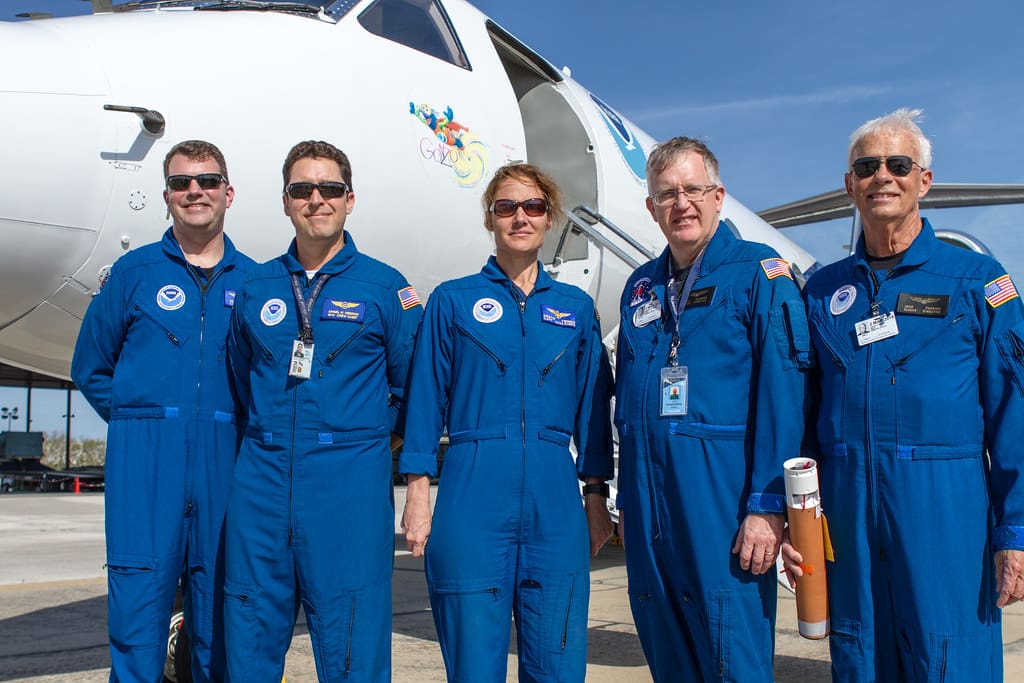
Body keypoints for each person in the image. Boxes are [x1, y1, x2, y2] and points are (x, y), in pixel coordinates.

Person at [786, 108, 1024, 681]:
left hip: (945, 511)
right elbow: (800, 416)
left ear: (924, 180)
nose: (882, 177)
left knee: (949, 657)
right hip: (848, 515)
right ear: (850, 185)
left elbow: (1015, 414)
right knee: (860, 656)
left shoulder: (978, 282)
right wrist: (794, 523)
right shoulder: (822, 291)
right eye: (867, 166)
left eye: (898, 164)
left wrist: (1015, 532)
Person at [399, 163, 615, 682]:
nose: (520, 217)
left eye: (533, 207)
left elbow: (593, 406)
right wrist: (418, 490)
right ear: (490, 219)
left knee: (559, 665)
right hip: (472, 493)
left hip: (555, 498)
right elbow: (425, 398)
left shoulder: (576, 309)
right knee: (474, 667)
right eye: (506, 207)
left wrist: (595, 495)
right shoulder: (454, 301)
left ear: (549, 219)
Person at [223, 140, 423, 681]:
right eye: (302, 190)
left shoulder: (386, 289)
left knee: (353, 649)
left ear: (350, 200)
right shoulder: (254, 287)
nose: (317, 199)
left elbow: (415, 391)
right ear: (286, 201)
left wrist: (373, 446)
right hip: (261, 488)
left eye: (329, 188)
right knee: (247, 645)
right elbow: (239, 384)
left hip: (348, 491)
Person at [614, 137, 809, 682]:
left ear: (718, 196)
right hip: (651, 510)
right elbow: (628, 409)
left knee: (733, 658)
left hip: (724, 509)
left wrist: (769, 507)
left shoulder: (759, 275)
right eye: (667, 194)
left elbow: (784, 399)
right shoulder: (640, 289)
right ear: (651, 208)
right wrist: (628, 500)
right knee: (668, 656)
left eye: (693, 190)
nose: (682, 204)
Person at [71, 139, 254, 682]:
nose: (194, 191)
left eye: (207, 181)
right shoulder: (133, 274)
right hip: (145, 469)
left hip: (228, 467)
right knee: (136, 611)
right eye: (181, 183)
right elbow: (91, 367)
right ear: (167, 196)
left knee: (222, 616)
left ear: (228, 192)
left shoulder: (257, 284)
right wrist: (139, 424)